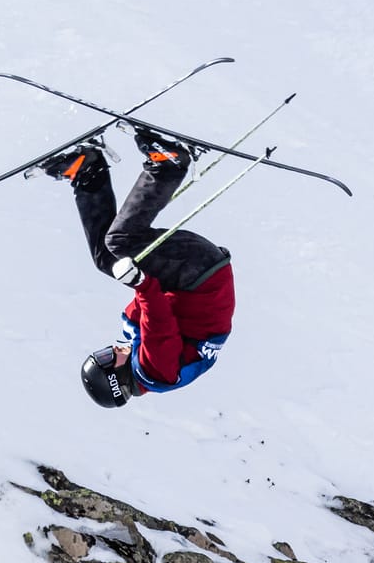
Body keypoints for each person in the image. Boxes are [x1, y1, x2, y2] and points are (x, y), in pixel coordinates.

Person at [41, 127, 236, 408]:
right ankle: (168, 166)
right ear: (117, 379)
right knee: (120, 242)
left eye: (103, 352)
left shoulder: (141, 359)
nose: (111, 349)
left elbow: (147, 311)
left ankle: (87, 172)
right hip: (198, 276)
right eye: (108, 359)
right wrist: (141, 283)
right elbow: (159, 323)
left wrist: (134, 278)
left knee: (105, 258)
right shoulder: (156, 371)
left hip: (194, 277)